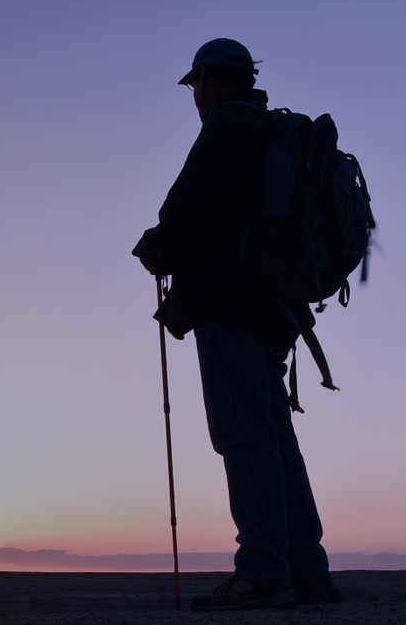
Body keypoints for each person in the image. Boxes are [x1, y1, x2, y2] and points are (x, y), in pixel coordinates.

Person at [133, 38, 341, 611]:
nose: (193, 96)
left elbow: (191, 207)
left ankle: (262, 573)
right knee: (274, 437)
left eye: (194, 84)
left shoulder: (229, 127)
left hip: (231, 305)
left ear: (206, 78)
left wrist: (157, 247)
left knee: (244, 434)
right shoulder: (270, 130)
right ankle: (309, 574)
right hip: (276, 310)